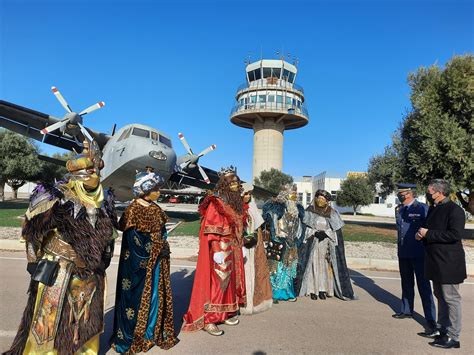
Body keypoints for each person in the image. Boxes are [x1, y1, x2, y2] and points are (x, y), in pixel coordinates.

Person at [5, 140, 118, 354]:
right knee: (50, 320)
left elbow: (109, 236)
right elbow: (32, 232)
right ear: (76, 174)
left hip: (91, 273)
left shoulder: (105, 201)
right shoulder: (56, 196)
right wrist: (32, 260)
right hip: (59, 270)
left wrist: (105, 258)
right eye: (87, 171)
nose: (93, 175)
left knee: (84, 319)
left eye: (95, 171)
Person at [110, 169, 179, 353]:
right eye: (156, 188)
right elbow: (133, 242)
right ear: (146, 189)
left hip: (157, 263)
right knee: (136, 298)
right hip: (139, 265)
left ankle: (151, 332)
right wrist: (155, 248)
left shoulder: (156, 209)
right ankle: (134, 336)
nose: (159, 192)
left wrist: (162, 247)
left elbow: (161, 233)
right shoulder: (133, 210)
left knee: (156, 295)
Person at [182, 166, 246, 336]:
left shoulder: (233, 200)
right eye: (231, 181)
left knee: (228, 282)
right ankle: (210, 319)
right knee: (218, 282)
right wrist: (217, 250)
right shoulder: (216, 201)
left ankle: (224, 313)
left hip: (231, 248)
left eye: (236, 181)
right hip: (219, 249)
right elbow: (211, 228)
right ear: (224, 183)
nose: (235, 184)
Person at [416, 179, 467, 349]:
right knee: (440, 297)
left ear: (440, 192)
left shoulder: (455, 210)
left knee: (451, 299)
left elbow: (454, 235)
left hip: (449, 263)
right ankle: (442, 329)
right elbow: (430, 230)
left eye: (430, 192)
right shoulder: (434, 208)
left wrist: (429, 233)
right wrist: (422, 235)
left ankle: (454, 336)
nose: (428, 195)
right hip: (435, 261)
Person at [392, 183, 437, 335]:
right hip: (403, 252)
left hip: (419, 253)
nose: (399, 195)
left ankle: (431, 319)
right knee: (406, 283)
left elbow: (430, 228)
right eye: (399, 193)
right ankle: (406, 310)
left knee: (424, 287)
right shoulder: (398, 209)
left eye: (402, 192)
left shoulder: (423, 208)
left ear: (409, 193)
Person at [298, 190, 356, 301]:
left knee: (324, 267)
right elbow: (304, 229)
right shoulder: (309, 211)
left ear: (327, 201)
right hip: (313, 243)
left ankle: (322, 290)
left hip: (326, 244)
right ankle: (312, 290)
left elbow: (335, 232)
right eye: (319, 198)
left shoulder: (332, 213)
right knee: (313, 266)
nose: (320, 201)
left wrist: (326, 234)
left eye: (323, 199)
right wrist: (315, 232)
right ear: (315, 199)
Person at [262, 184, 305, 302]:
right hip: (278, 241)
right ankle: (273, 293)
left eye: (296, 194)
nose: (295, 197)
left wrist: (298, 238)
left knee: (289, 267)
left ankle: (287, 292)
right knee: (275, 268)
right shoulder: (276, 208)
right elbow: (269, 220)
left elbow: (300, 226)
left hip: (291, 242)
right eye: (292, 194)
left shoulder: (297, 209)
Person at [240, 183, 273, 315]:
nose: (247, 196)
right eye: (245, 194)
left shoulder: (252, 207)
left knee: (252, 270)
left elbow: (257, 227)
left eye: (249, 194)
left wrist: (256, 240)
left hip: (252, 246)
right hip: (240, 246)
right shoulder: (235, 208)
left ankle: (252, 300)